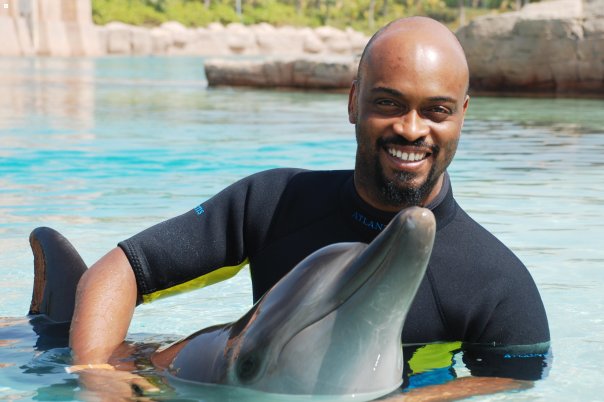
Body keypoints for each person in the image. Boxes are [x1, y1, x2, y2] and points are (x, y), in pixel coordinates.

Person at [67, 15, 550, 397]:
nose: (410, 128)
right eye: (388, 103)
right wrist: (96, 378)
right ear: (353, 102)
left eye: (435, 110)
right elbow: (120, 271)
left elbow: (517, 378)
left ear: (463, 114)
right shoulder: (273, 203)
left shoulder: (498, 285)